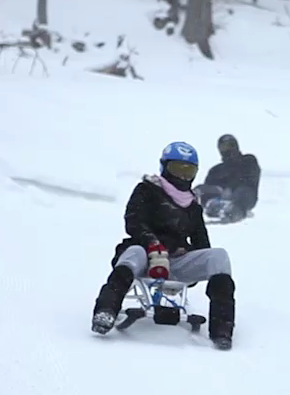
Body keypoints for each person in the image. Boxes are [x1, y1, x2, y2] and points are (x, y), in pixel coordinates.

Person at [91, 141, 237, 350]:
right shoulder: (147, 190)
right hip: (143, 255)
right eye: (178, 169)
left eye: (189, 171)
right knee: (133, 253)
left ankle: (222, 329)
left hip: (175, 262)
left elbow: (202, 244)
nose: (182, 177)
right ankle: (106, 311)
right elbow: (133, 221)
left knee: (219, 256)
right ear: (164, 167)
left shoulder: (193, 205)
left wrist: (185, 251)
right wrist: (153, 244)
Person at [192, 134, 261, 223]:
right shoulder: (216, 170)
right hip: (219, 197)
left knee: (242, 191)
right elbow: (208, 186)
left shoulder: (248, 160)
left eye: (230, 145)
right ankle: (213, 207)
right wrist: (217, 190)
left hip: (244, 195)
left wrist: (229, 189)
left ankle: (235, 210)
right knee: (200, 189)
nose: (228, 149)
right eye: (224, 147)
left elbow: (250, 178)